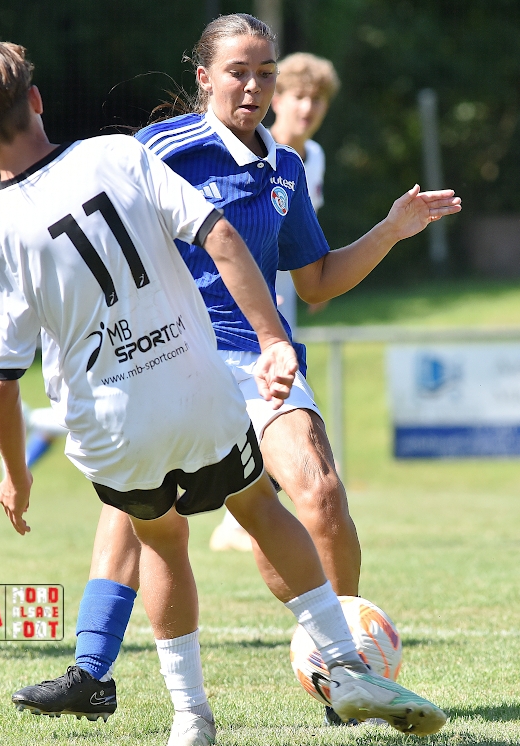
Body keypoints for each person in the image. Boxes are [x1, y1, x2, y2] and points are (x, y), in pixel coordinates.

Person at [0, 22, 448, 746]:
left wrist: (14, 472)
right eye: (240, 70)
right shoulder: (120, 154)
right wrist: (274, 338)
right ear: (36, 99)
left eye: (267, 71)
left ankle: (190, 716)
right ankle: (345, 665)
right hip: (195, 375)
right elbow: (219, 235)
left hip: (117, 412)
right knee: (257, 506)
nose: (256, 86)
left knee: (165, 537)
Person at [209, 50, 339, 552]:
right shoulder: (256, 148)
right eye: (299, 96)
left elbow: (299, 230)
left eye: (317, 100)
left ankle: (247, 516)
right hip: (236, 308)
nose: (308, 109)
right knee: (265, 404)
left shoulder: (311, 158)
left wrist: (316, 276)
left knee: (279, 405)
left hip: (285, 300)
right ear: (278, 99)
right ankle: (243, 513)